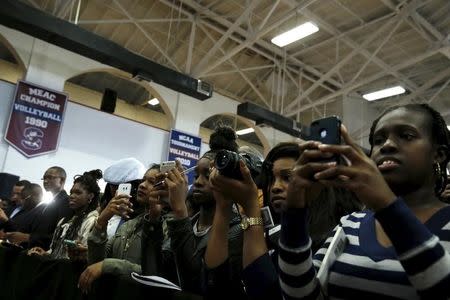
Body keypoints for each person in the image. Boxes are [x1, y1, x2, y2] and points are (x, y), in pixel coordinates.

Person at [279, 104, 450, 299]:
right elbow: (301, 296)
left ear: (439, 154)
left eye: (407, 136)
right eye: (378, 140)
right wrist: (293, 212)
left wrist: (386, 204)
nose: (387, 145)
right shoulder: (350, 223)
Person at [207, 142, 361, 299]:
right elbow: (216, 285)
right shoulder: (261, 231)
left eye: (287, 177)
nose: (275, 187)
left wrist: (250, 207)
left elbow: (268, 295)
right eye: (272, 179)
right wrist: (222, 206)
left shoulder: (334, 236)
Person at [153, 126, 244, 295]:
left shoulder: (237, 232)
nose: (198, 182)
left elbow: (198, 286)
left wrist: (180, 213)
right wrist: (153, 216)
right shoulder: (191, 222)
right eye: (196, 176)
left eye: (207, 175)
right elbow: (155, 269)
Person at [78, 164, 168, 294]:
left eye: (151, 182)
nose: (142, 185)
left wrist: (109, 265)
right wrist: (102, 222)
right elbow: (97, 262)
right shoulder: (128, 224)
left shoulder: (168, 227)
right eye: (143, 180)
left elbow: (157, 274)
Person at [28, 170, 101, 259]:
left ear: (90, 196)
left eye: (78, 193)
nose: (72, 196)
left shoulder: (92, 220)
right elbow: (55, 251)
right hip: (56, 267)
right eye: (71, 192)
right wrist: (45, 253)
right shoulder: (65, 220)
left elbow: (85, 255)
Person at [100, 157, 146, 238]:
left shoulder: (143, 217)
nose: (115, 190)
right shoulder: (105, 210)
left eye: (122, 187)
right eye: (112, 186)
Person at [30, 166, 72, 248]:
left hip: (45, 252)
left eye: (50, 178)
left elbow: (60, 234)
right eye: (44, 178)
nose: (45, 181)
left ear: (62, 180)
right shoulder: (50, 202)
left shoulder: (66, 201)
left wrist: (30, 238)